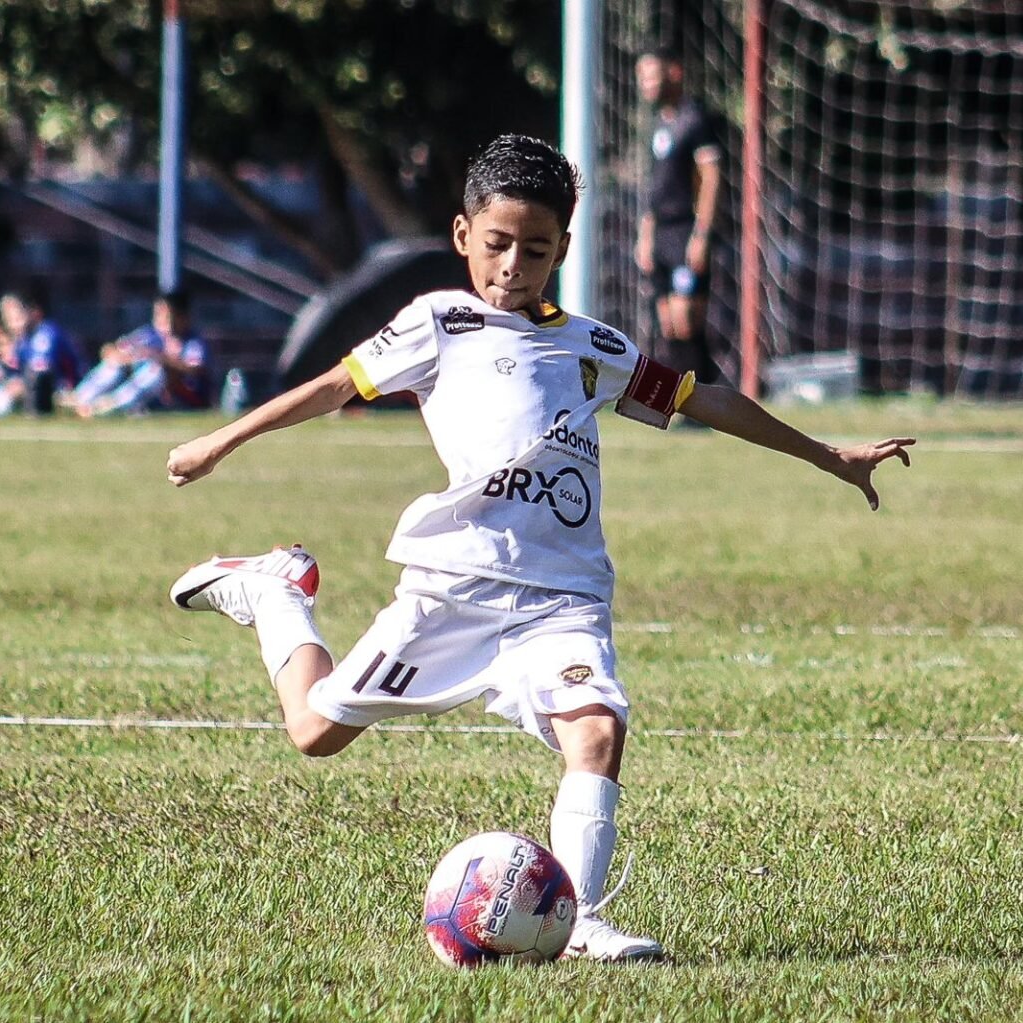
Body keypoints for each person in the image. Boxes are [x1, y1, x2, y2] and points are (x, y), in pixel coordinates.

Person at [163, 135, 914, 962]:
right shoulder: (438, 323)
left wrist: (826, 455)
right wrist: (222, 441)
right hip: (452, 589)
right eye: (497, 244)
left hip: (561, 597)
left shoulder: (595, 348)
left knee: (595, 730)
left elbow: (706, 402)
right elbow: (335, 385)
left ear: (562, 248)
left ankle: (582, 917)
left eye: (537, 249)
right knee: (313, 731)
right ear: (462, 236)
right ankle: (275, 593)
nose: (514, 264)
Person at [635, 48, 722, 385]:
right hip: (661, 234)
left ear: (674, 73)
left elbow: (711, 179)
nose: (646, 85)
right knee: (668, 321)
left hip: (687, 229)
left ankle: (708, 398)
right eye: (642, 78)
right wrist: (645, 234)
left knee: (687, 317)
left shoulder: (694, 120)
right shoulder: (659, 125)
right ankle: (685, 402)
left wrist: (702, 234)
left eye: (652, 76)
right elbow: (655, 188)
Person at [71, 290, 211, 417]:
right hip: (150, 397)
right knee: (115, 365)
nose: (161, 320)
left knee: (156, 369)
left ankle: (113, 405)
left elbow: (195, 369)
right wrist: (127, 359)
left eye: (167, 315)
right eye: (158, 314)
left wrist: (158, 358)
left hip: (181, 399)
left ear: (183, 317)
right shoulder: (149, 335)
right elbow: (108, 351)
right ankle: (81, 398)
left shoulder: (193, 341)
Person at [0, 285, 83, 418]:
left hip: (67, 391)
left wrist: (16, 386)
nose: (12, 322)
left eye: (17, 315)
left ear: (32, 311)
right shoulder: (23, 341)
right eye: (8, 317)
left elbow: (40, 374)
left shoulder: (46, 333)